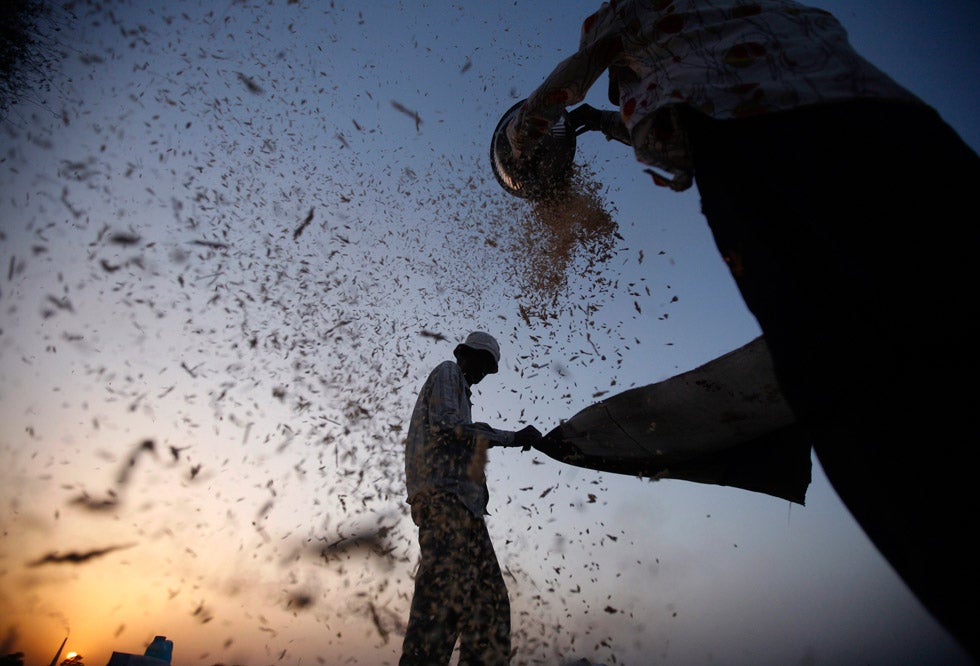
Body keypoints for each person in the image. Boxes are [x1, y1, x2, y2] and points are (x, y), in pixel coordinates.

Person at [505, 1, 980, 661]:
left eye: (628, 85)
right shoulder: (750, 16)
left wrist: (532, 125)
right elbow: (696, 82)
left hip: (768, 153)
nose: (631, 94)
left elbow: (582, 74)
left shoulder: (630, 13)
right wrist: (610, 126)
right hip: (896, 127)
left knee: (844, 369)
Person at [400, 331, 543, 666]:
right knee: (458, 604)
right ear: (463, 354)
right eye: (479, 361)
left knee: (471, 605)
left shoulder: (463, 394)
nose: (481, 370)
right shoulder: (448, 372)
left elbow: (459, 438)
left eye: (487, 366)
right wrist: (510, 436)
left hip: (462, 509)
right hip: (446, 504)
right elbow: (450, 429)